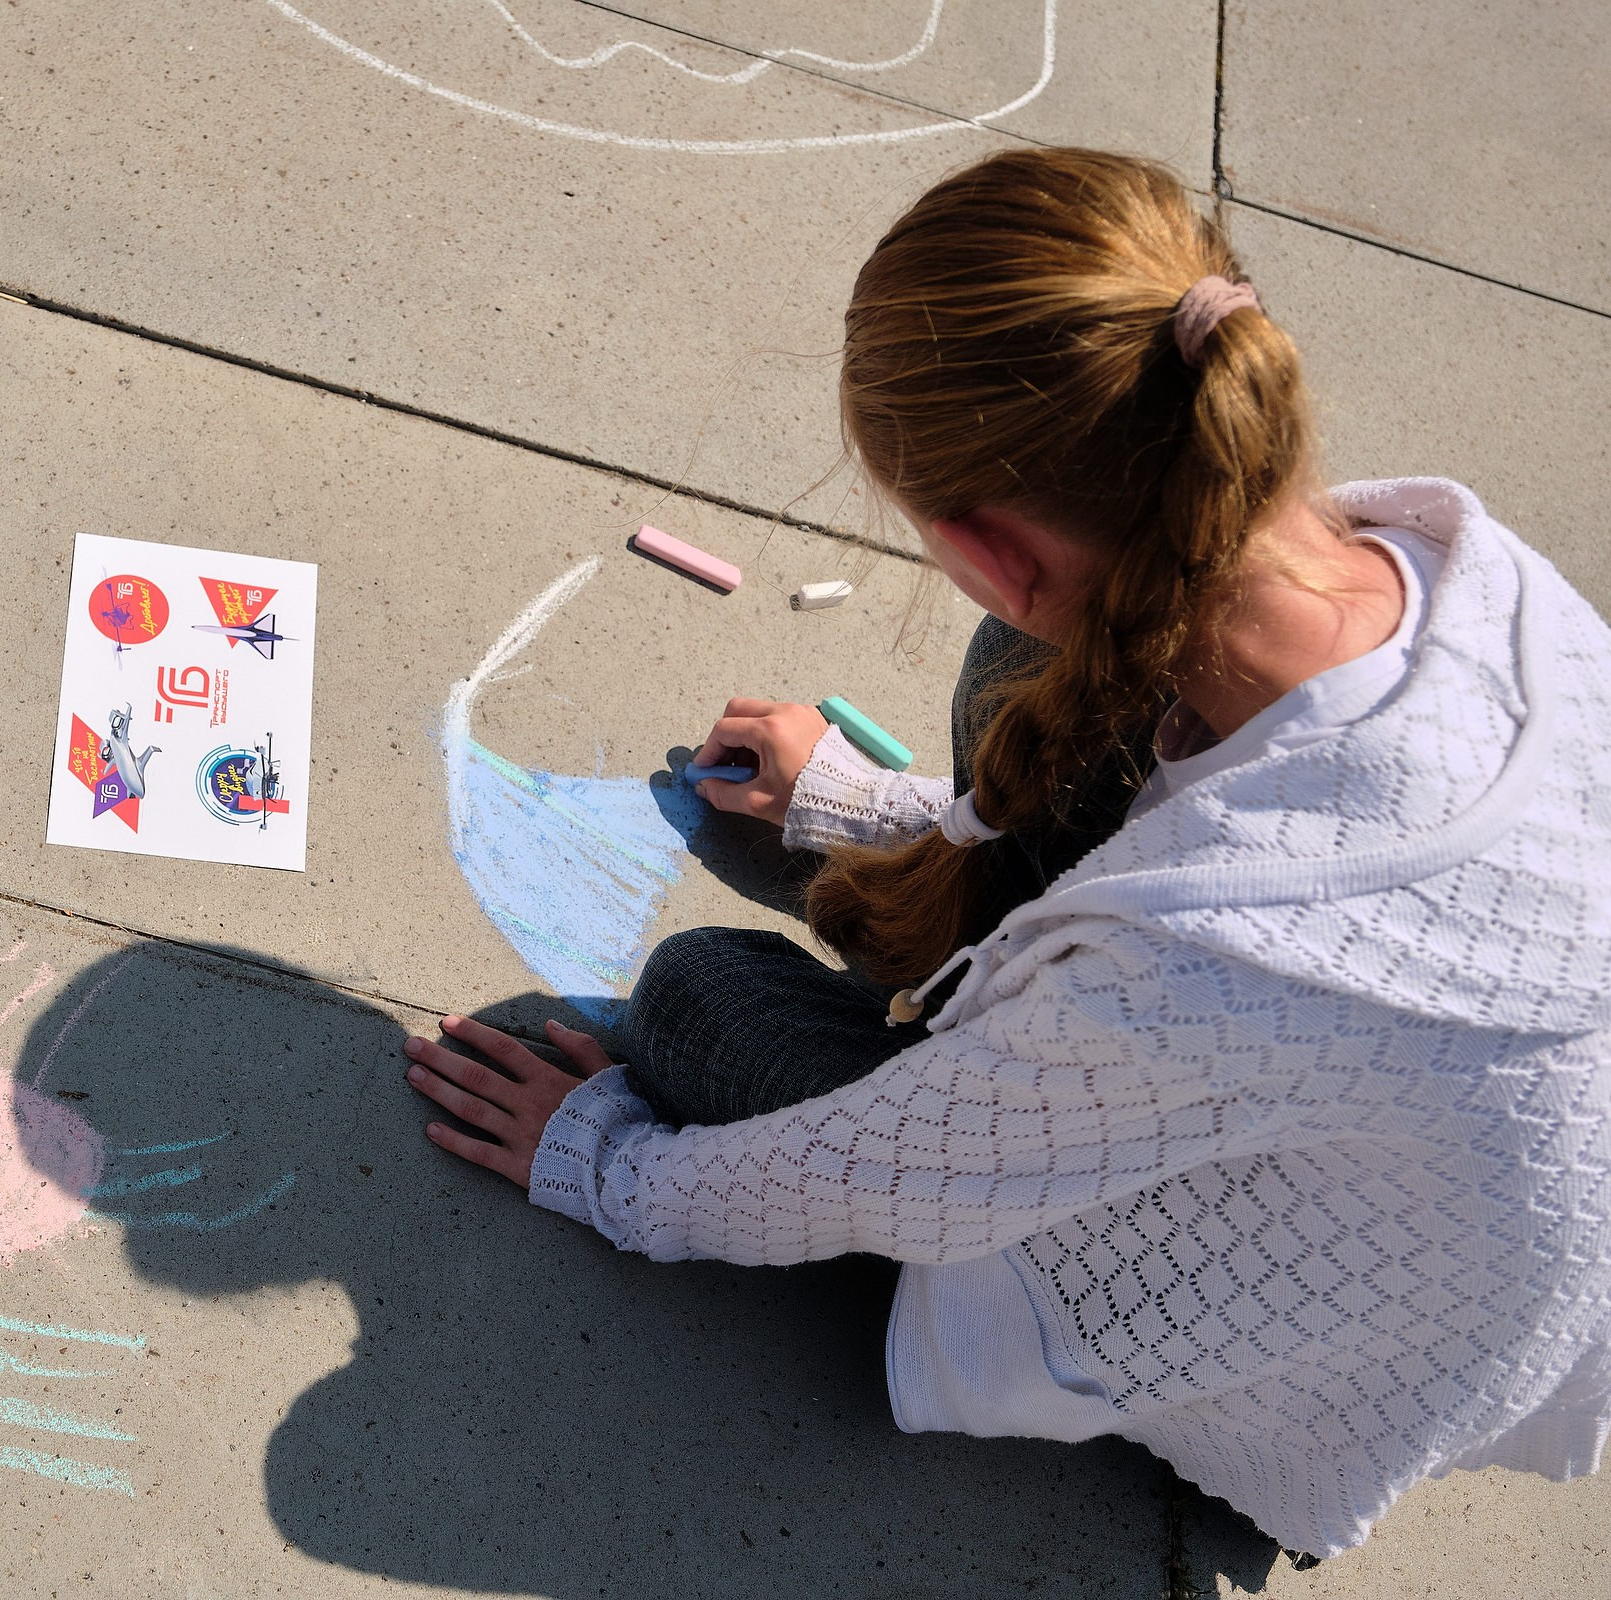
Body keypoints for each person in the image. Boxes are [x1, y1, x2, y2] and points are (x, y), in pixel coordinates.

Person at [401, 147, 1611, 1559]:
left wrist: (604, 1170)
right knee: (1020, 680)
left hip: (1303, 1345)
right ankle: (949, 921)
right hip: (1389, 1158)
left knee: (697, 1005)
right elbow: (1238, 822)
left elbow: (868, 1173)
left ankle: (930, 985)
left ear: (992, 541)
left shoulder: (1207, 960)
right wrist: (865, 808)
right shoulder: (1465, 579)